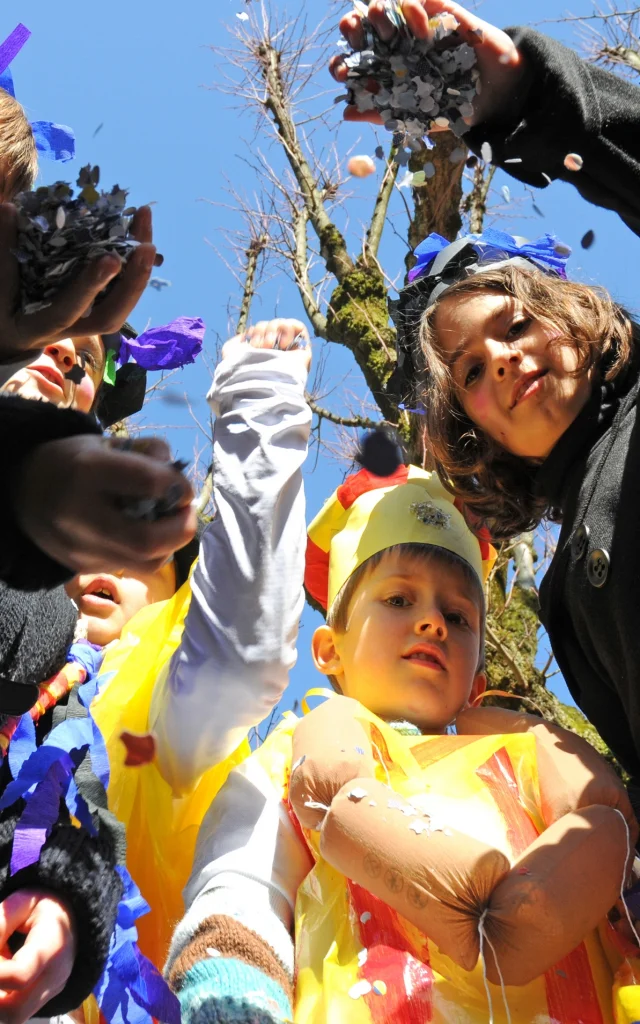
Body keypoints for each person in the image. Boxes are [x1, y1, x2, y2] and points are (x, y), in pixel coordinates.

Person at [166, 465, 640, 1024]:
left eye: (458, 615)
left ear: (478, 681)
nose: (432, 623)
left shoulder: (527, 768)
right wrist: (235, 998)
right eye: (397, 600)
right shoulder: (292, 759)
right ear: (328, 651)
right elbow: (246, 885)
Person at [330, 0, 640, 818]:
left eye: (515, 323)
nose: (503, 357)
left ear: (573, 316)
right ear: (478, 434)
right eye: (470, 370)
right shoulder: (567, 595)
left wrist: (526, 106)